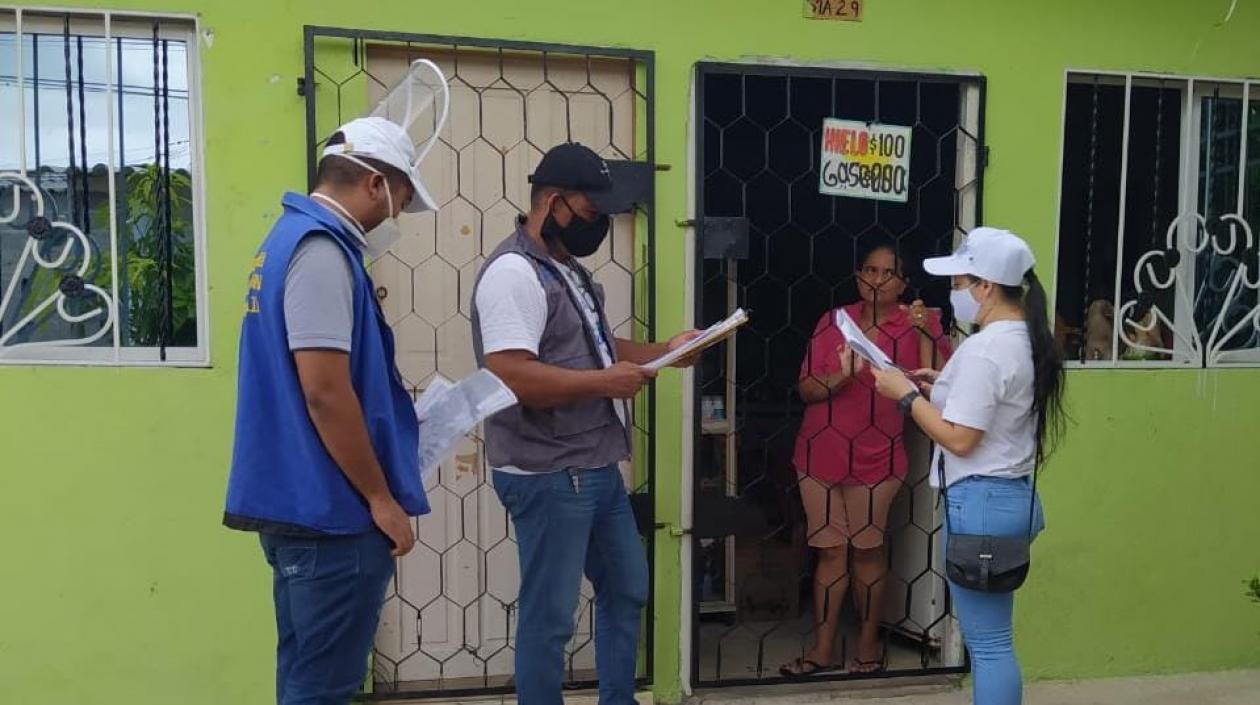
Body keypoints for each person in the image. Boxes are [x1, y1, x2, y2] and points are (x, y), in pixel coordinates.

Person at [471, 143, 698, 705]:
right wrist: (607, 383)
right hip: (547, 472)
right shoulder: (513, 274)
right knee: (550, 619)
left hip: (594, 465)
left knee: (628, 589)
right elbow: (513, 375)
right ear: (552, 203)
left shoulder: (565, 269)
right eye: (592, 213)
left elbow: (594, 347)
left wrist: (663, 352)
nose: (599, 224)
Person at [224, 117, 437, 705]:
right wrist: (380, 497)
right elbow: (323, 389)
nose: (394, 215)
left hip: (301, 505)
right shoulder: (321, 252)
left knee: (304, 679)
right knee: (324, 688)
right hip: (331, 516)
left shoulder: (286, 239)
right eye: (398, 198)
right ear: (374, 183)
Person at [871, 227, 1066, 705]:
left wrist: (906, 397)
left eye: (958, 285)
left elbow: (960, 438)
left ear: (985, 286)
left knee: (991, 647)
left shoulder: (986, 349)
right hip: (1011, 498)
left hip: (982, 503)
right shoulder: (1023, 338)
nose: (954, 294)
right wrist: (942, 383)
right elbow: (998, 407)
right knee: (994, 640)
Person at [781, 241, 951, 677]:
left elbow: (939, 390)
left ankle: (869, 649)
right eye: (869, 271)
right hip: (819, 453)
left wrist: (927, 334)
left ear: (904, 283)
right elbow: (807, 389)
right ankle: (821, 651)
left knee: (868, 552)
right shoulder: (834, 321)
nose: (877, 280)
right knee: (830, 553)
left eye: (887, 272)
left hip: (879, 457)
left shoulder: (920, 322)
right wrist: (842, 376)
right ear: (857, 275)